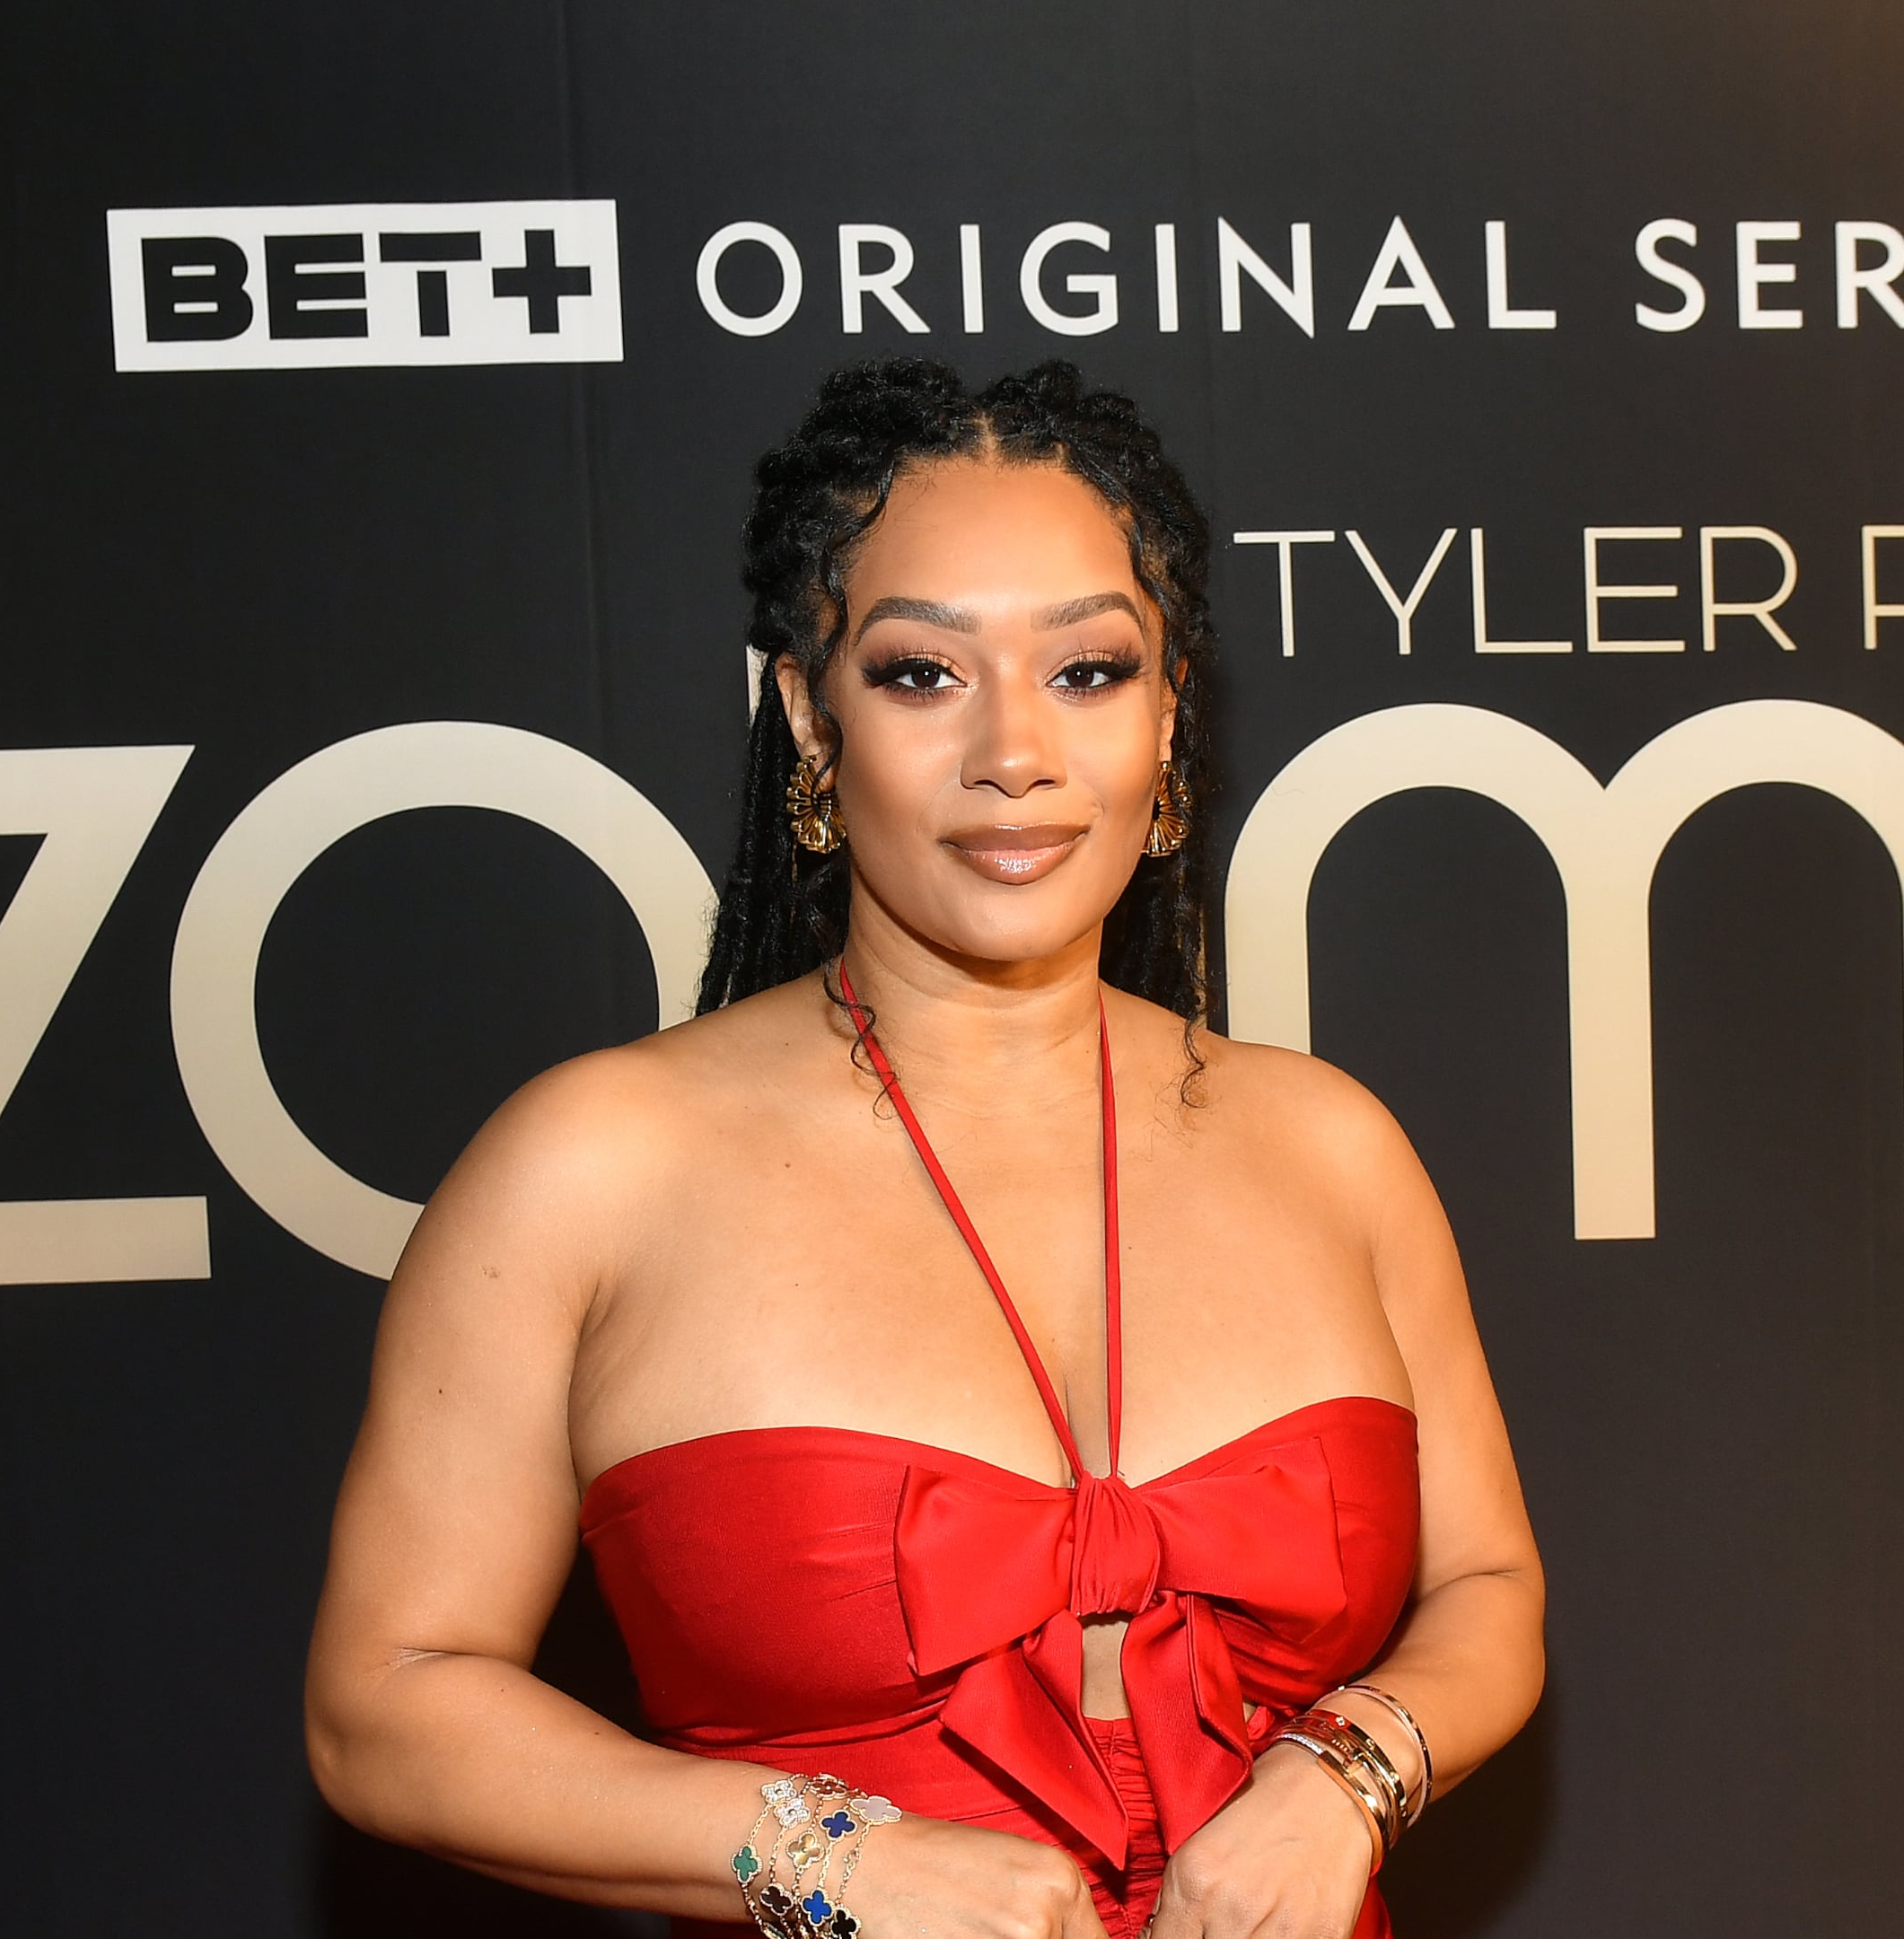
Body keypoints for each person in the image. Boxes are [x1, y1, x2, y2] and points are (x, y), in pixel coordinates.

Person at [304, 358, 1546, 1939]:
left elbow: (1490, 1595)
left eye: (1090, 671)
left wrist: (1347, 1773)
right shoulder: (594, 1164)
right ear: (807, 717)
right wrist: (833, 1858)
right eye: (920, 675)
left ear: (1172, 715)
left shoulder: (1334, 1145)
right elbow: (385, 1703)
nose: (1013, 752)